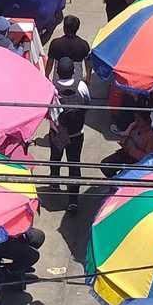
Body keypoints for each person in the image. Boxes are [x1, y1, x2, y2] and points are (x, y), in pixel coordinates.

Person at [46, 57, 90, 209]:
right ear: (73, 71)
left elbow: (47, 110)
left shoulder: (51, 88)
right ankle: (73, 200)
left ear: (57, 72)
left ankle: (54, 183)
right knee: (74, 163)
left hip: (58, 132)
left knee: (55, 158)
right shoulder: (81, 86)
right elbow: (87, 104)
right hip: (77, 132)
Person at [46, 15, 89, 84]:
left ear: (64, 28)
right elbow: (88, 63)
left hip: (58, 80)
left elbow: (50, 63)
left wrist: (46, 76)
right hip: (77, 80)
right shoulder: (83, 44)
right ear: (77, 28)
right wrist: (88, 78)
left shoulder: (55, 43)